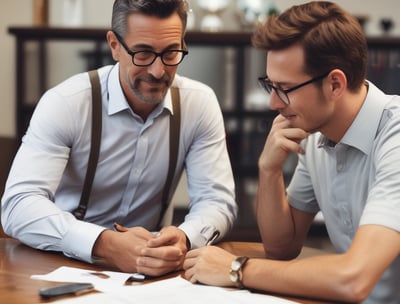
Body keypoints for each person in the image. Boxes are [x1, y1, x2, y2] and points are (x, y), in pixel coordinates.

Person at [183, 1, 400, 303]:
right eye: (270, 86)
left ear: (335, 84)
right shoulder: (316, 136)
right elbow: (282, 247)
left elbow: (354, 278)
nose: (274, 103)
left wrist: (236, 269)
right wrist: (268, 170)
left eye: (284, 88)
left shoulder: (395, 136)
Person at [1, 0, 237, 277]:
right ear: (114, 45)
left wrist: (184, 237)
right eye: (143, 53)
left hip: (153, 273)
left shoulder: (199, 103)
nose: (158, 71)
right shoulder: (66, 103)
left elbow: (218, 202)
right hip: (62, 263)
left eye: (171, 53)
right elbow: (18, 207)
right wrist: (104, 243)